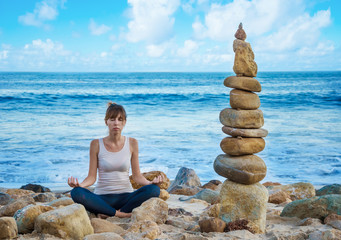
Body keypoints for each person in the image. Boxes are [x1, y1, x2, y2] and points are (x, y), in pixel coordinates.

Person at [67, 102, 163, 218]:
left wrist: (151, 183)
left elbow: (137, 176)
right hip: (102, 197)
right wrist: (80, 185)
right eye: (112, 119)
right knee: (76, 192)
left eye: (120, 119)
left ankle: (110, 212)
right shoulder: (96, 144)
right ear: (106, 121)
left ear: (124, 122)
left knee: (154, 190)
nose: (116, 123)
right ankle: (120, 214)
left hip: (126, 197)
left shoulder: (132, 143)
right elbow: (92, 177)